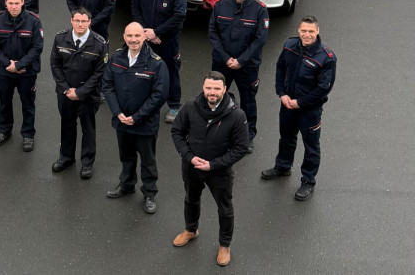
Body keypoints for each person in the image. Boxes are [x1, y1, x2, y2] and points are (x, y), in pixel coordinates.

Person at [171, 72, 250, 267]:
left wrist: (213, 164)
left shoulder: (237, 115)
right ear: (203, 88)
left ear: (224, 89)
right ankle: (191, 229)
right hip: (192, 167)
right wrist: (189, 157)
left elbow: (241, 148)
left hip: (219, 171)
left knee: (225, 209)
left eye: (216, 88)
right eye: (208, 88)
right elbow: (177, 132)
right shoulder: (190, 107)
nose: (211, 92)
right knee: (191, 199)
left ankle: (224, 244)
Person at [261, 16, 336, 201]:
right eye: (304, 30)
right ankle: (283, 166)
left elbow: (323, 88)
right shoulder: (289, 46)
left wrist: (300, 102)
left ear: (318, 31)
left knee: (311, 146)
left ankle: (308, 181)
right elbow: (280, 69)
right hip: (287, 103)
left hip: (309, 110)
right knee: (286, 137)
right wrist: (282, 94)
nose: (307, 34)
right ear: (298, 30)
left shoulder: (326, 57)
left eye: (311, 31)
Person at [102, 22, 169, 214]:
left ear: (144, 37)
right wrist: (118, 113)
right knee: (126, 157)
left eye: (137, 36)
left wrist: (137, 117)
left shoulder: (156, 63)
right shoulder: (115, 58)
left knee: (148, 161)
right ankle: (126, 185)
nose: (133, 40)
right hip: (122, 122)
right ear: (124, 37)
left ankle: (149, 193)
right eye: (129, 36)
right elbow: (107, 85)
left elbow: (160, 95)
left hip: (144, 124)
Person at [207, 0, 269, 149]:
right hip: (222, 63)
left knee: (248, 101)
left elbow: (260, 39)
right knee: (215, 97)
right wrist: (226, 59)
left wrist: (241, 60)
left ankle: (247, 136)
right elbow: (212, 34)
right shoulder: (220, 6)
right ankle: (216, 131)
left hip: (247, 65)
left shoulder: (260, 10)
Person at [50, 7, 108, 179]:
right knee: (67, 125)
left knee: (88, 128)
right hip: (66, 93)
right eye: (77, 20)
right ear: (71, 21)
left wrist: (81, 92)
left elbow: (100, 73)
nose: (80, 24)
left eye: (84, 21)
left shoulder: (99, 43)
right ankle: (66, 157)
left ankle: (87, 163)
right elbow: (55, 65)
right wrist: (67, 89)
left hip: (88, 96)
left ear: (89, 22)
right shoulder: (60, 38)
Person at [0, 0, 44, 152]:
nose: (13, 7)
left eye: (17, 3)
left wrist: (18, 65)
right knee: (4, 102)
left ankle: (28, 135)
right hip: (5, 71)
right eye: (10, 3)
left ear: (23, 2)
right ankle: (4, 131)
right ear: (5, 3)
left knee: (28, 104)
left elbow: (37, 47)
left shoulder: (33, 21)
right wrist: (8, 64)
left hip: (27, 72)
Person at [132, 0, 186, 124]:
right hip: (145, 37)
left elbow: (179, 15)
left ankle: (174, 106)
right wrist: (145, 33)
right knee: (142, 70)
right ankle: (142, 103)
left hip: (167, 40)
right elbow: (135, 8)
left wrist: (157, 33)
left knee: (170, 72)